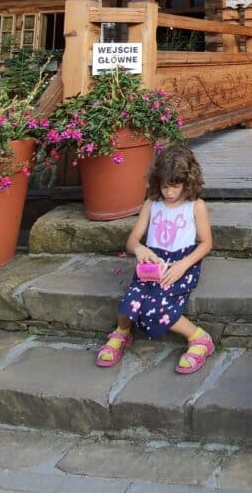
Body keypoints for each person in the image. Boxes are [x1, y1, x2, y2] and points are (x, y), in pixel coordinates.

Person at [95, 142, 214, 374]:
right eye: (164, 185)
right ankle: (122, 334)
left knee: (156, 305)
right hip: (152, 264)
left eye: (175, 186)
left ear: (188, 181)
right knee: (129, 302)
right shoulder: (152, 204)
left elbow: (206, 243)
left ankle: (200, 338)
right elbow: (132, 242)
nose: (169, 192)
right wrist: (140, 250)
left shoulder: (196, 206)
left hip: (181, 263)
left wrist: (183, 265)